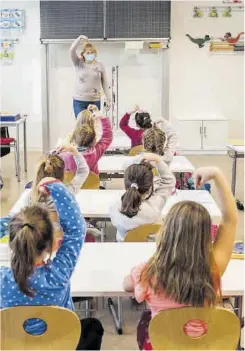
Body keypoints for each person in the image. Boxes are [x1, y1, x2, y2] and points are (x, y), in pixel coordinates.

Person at [123, 166, 238, 350]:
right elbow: (231, 220)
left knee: (145, 321)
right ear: (205, 237)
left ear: (166, 232)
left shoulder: (148, 272)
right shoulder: (212, 270)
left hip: (164, 345)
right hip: (203, 346)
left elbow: (127, 285)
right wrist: (217, 174)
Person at [0, 179, 104, 350]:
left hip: (15, 346)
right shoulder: (58, 275)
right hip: (61, 344)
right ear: (50, 245)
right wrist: (55, 187)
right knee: (93, 326)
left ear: (13, 243)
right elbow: (77, 229)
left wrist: (8, 223)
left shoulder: (3, 280)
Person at [109, 153, 175, 242]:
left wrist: (139, 158)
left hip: (124, 250)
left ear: (125, 186)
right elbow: (169, 181)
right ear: (150, 187)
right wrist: (158, 160)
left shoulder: (115, 207)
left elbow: (123, 167)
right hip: (152, 250)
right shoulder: (154, 207)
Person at [69, 35, 111, 118]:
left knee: (95, 126)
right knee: (81, 127)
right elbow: (71, 50)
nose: (90, 54)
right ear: (83, 54)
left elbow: (105, 83)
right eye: (88, 53)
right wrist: (79, 38)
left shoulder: (100, 65)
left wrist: (109, 99)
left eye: (92, 53)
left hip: (94, 101)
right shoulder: (78, 63)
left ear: (95, 53)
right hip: (79, 101)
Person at [71, 110, 113, 175]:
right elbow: (107, 136)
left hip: (74, 184)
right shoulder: (96, 151)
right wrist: (103, 118)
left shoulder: (67, 154)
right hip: (93, 184)